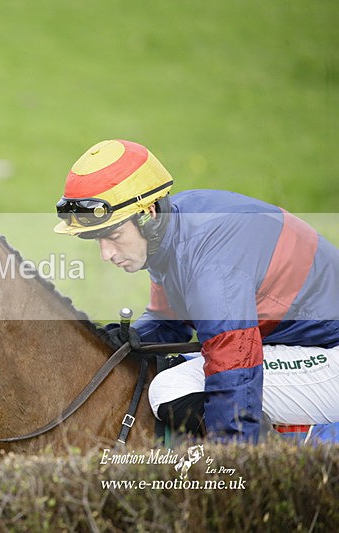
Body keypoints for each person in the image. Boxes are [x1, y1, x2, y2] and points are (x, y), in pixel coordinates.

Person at [53, 139, 339, 444]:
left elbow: (235, 370)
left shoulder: (209, 263)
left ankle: (301, 461)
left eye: (113, 235)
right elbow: (169, 321)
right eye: (97, 240)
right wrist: (117, 344)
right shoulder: (174, 228)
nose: (106, 254)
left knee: (173, 388)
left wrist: (231, 470)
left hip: (328, 357)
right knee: (172, 371)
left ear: (148, 213)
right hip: (303, 346)